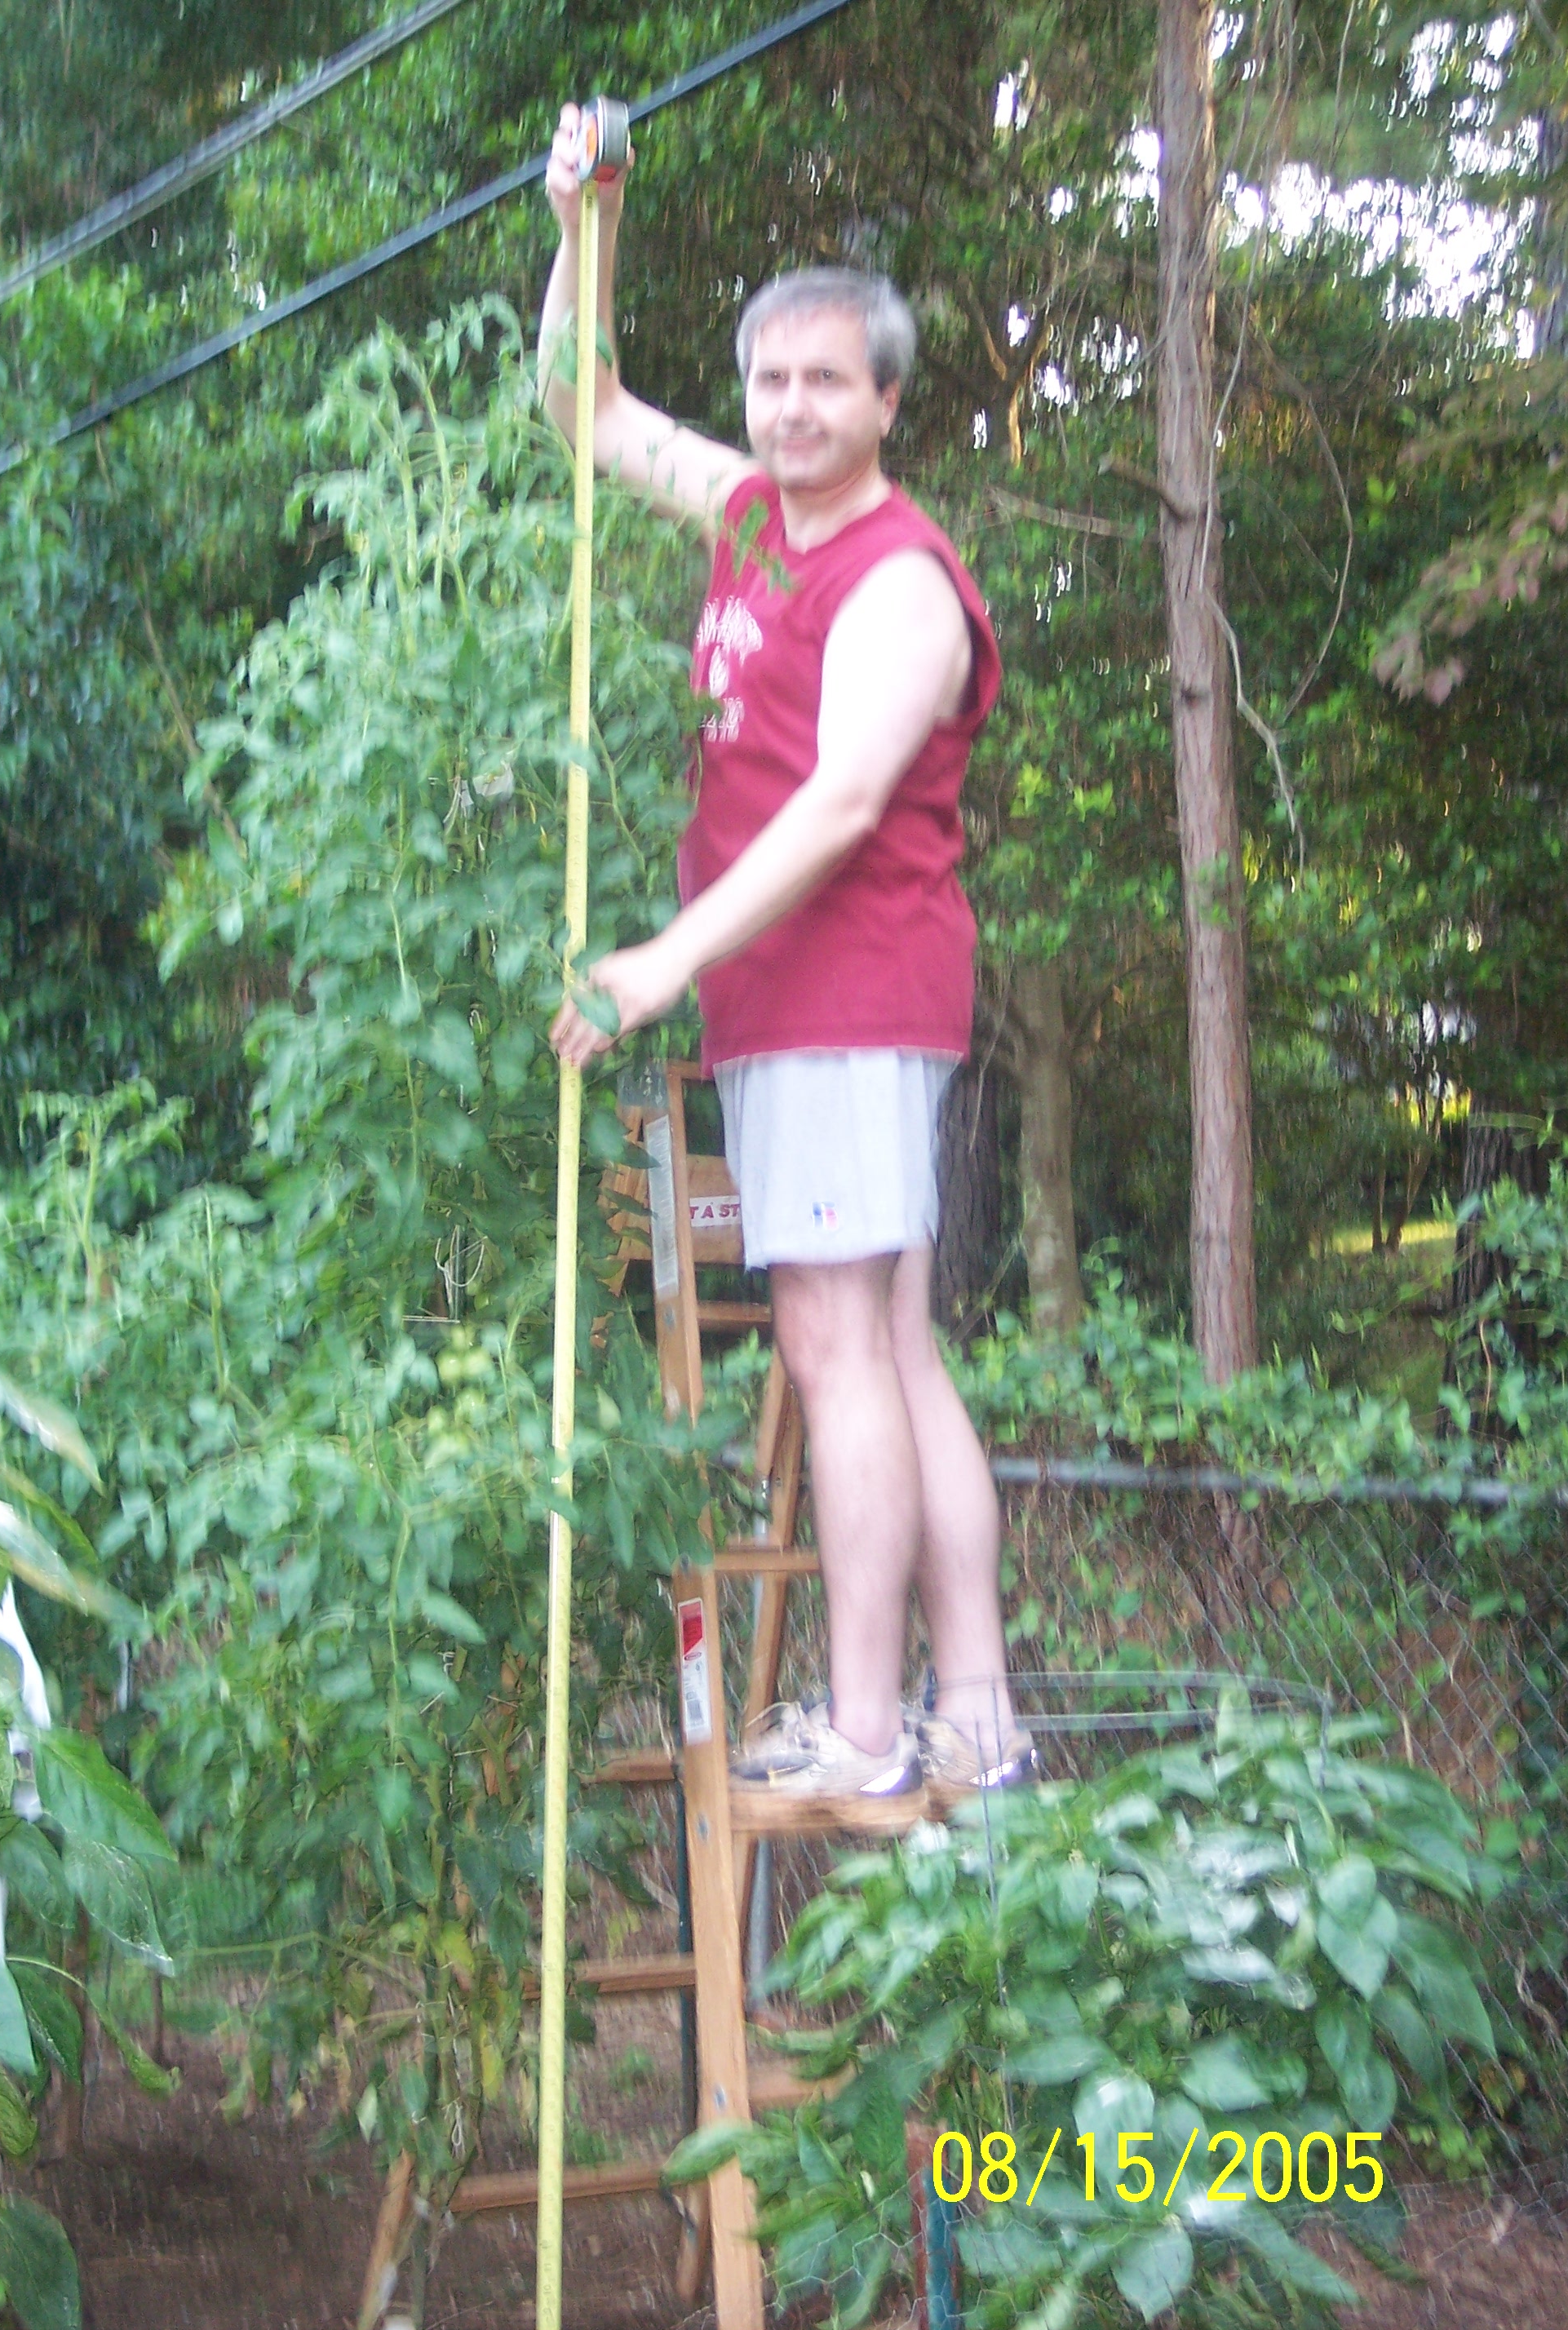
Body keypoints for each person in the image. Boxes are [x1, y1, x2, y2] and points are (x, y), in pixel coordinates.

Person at [540, 105, 1030, 1811]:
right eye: (771, 381)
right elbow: (583, 411)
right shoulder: (755, 516)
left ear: (888, 401)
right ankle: (975, 1715)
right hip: (805, 1007)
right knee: (892, 1346)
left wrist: (659, 962)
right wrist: (585, 227)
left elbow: (837, 807)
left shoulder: (901, 582)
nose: (792, 407)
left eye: (828, 381)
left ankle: (870, 1727)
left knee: (832, 1349)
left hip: (843, 996)